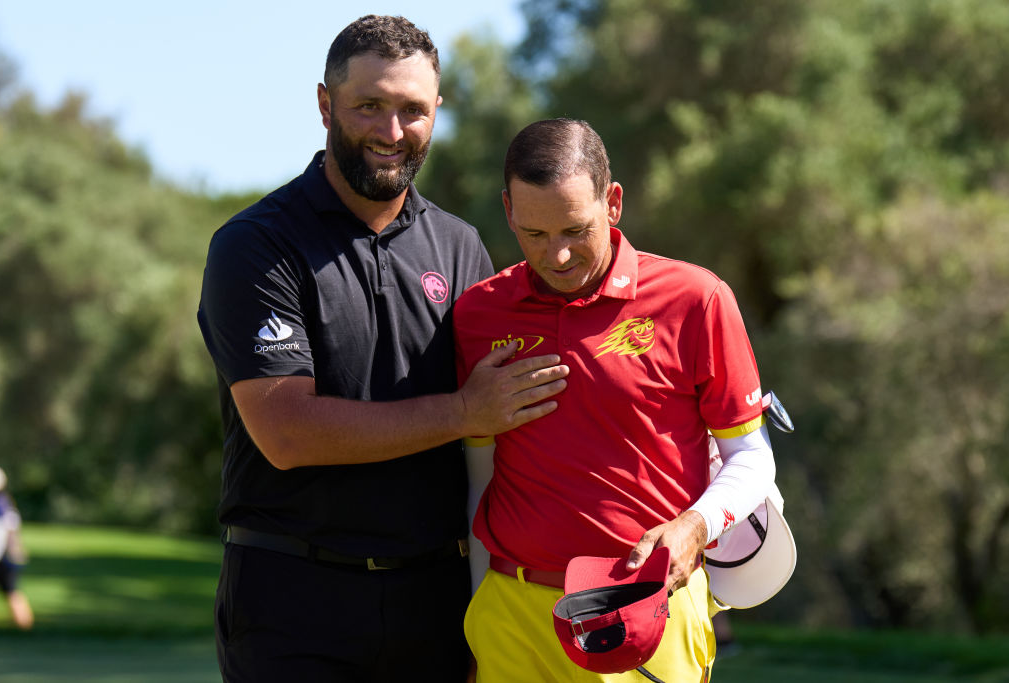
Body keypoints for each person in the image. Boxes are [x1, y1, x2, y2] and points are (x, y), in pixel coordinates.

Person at [196, 16, 568, 683]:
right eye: (370, 105)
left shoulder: (461, 247)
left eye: (412, 110)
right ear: (324, 104)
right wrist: (463, 412)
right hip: (292, 599)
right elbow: (286, 430)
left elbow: (512, 415)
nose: (391, 132)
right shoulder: (255, 246)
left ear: (436, 113)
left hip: (440, 600)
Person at [453, 118, 783, 682]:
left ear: (613, 203)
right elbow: (479, 481)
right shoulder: (478, 313)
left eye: (574, 231)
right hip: (511, 615)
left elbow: (752, 458)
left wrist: (692, 528)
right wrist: (472, 610)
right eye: (534, 234)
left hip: (648, 610)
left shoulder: (697, 299)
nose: (556, 257)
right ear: (508, 211)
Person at [0, 463, 34, 630]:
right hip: (10, 557)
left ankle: (23, 628)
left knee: (12, 594)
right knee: (13, 593)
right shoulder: (6, 502)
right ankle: (25, 631)